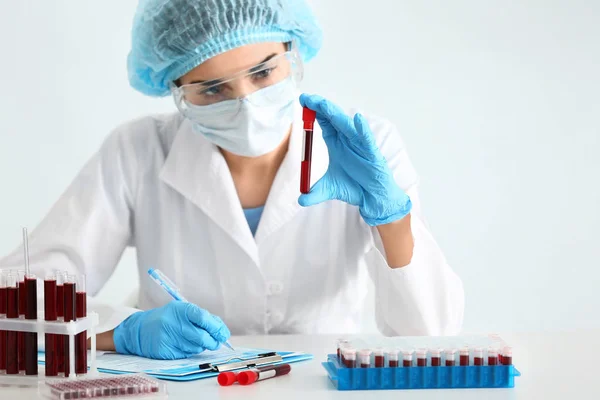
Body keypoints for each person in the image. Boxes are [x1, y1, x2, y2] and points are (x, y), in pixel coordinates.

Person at [0, 0, 464, 360]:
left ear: (293, 52)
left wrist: (391, 218)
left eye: (263, 72)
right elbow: (17, 302)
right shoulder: (137, 151)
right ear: (176, 91)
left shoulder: (365, 144)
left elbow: (431, 335)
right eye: (213, 89)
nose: (246, 103)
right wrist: (118, 335)